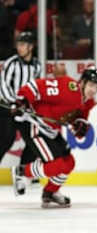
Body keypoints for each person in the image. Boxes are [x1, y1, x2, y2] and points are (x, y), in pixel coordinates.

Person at [10, 67, 97, 208]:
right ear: (83, 82)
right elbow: (35, 86)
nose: (93, 90)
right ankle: (22, 171)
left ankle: (50, 192)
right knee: (57, 165)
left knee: (69, 162)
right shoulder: (68, 88)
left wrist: (80, 128)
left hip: (51, 131)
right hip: (35, 125)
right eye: (91, 85)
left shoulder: (88, 103)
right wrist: (22, 100)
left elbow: (79, 122)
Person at [0, 32, 41, 189]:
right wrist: (14, 103)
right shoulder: (11, 63)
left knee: (33, 140)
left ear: (31, 47)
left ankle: (23, 173)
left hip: (24, 110)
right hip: (7, 108)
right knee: (5, 139)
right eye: (18, 44)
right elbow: (3, 86)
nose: (19, 47)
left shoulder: (37, 65)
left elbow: (38, 87)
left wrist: (31, 105)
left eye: (23, 44)